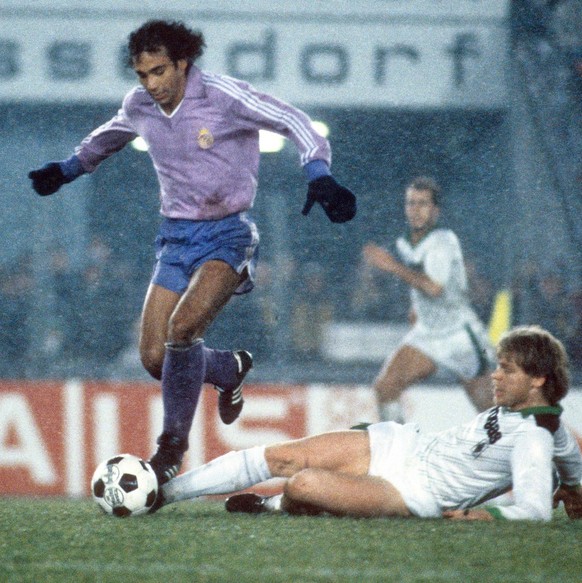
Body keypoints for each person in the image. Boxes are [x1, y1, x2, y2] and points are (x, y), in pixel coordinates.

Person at [28, 20, 356, 485]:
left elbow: (295, 121)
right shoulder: (140, 105)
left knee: (182, 330)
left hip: (229, 233)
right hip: (175, 238)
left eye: (159, 71)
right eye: (143, 74)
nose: (151, 83)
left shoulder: (224, 96)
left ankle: (170, 449)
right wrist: (67, 169)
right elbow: (111, 135)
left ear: (183, 63)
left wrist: (319, 174)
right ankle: (227, 368)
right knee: (153, 358)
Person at [151, 326, 582, 522]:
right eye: (499, 366)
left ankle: (272, 506)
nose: (495, 377)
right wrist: (575, 488)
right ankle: (162, 494)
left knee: (302, 484)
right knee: (282, 457)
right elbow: (573, 464)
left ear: (539, 380)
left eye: (508, 370)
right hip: (405, 445)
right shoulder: (547, 425)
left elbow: (534, 511)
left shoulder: (535, 438)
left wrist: (483, 516)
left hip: (413, 493)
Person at [362, 176, 494, 423]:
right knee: (385, 388)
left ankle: (533, 442)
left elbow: (434, 288)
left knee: (492, 413)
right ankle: (400, 446)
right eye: (411, 203)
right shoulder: (405, 242)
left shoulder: (443, 241)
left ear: (435, 210)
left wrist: (391, 266)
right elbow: (419, 277)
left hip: (459, 335)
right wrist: (416, 309)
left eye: (423, 204)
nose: (415, 210)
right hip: (428, 334)